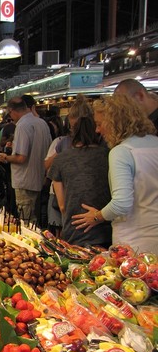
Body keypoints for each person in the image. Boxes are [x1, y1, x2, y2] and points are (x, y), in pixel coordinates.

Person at [72, 94, 158, 254]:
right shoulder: (155, 143)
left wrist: (96, 216)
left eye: (99, 124)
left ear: (114, 122)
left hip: (134, 241)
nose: (97, 130)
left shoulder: (122, 152)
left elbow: (122, 203)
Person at [47, 116, 112, 247]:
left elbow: (62, 205)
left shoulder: (61, 159)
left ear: (73, 133)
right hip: (105, 227)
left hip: (75, 228)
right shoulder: (109, 155)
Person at [44, 95, 94, 236]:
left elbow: (62, 205)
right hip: (70, 198)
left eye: (75, 128)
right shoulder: (62, 143)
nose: (74, 132)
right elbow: (48, 167)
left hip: (71, 199)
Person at [0, 97, 52, 224]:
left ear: (12, 111)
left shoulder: (22, 125)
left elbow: (21, 157)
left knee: (26, 223)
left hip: (24, 181)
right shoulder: (41, 123)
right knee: (36, 222)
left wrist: (6, 157)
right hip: (39, 179)